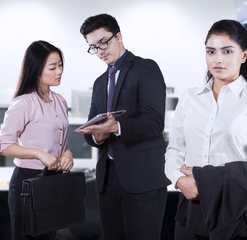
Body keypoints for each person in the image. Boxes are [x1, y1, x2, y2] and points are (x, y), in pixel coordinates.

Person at [165, 19, 247, 240]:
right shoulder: (190, 98)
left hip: (237, 209)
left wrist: (206, 179)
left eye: (227, 51)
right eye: (211, 51)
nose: (218, 59)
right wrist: (179, 180)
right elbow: (174, 151)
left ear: (244, 55)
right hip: (192, 208)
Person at [77, 13, 170, 240]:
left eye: (104, 42)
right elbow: (93, 131)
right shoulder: (100, 83)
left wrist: (116, 126)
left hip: (142, 180)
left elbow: (155, 123)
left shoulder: (145, 69)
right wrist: (97, 136)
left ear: (119, 36)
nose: (100, 51)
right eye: (93, 47)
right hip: (108, 181)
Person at [0, 40, 74, 240]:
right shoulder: (23, 103)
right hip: (28, 181)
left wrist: (67, 154)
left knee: (49, 236)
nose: (59, 71)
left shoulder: (60, 101)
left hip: (53, 180)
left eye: (61, 65)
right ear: (37, 69)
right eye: (53, 67)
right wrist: (39, 154)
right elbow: (3, 145)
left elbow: (61, 143)